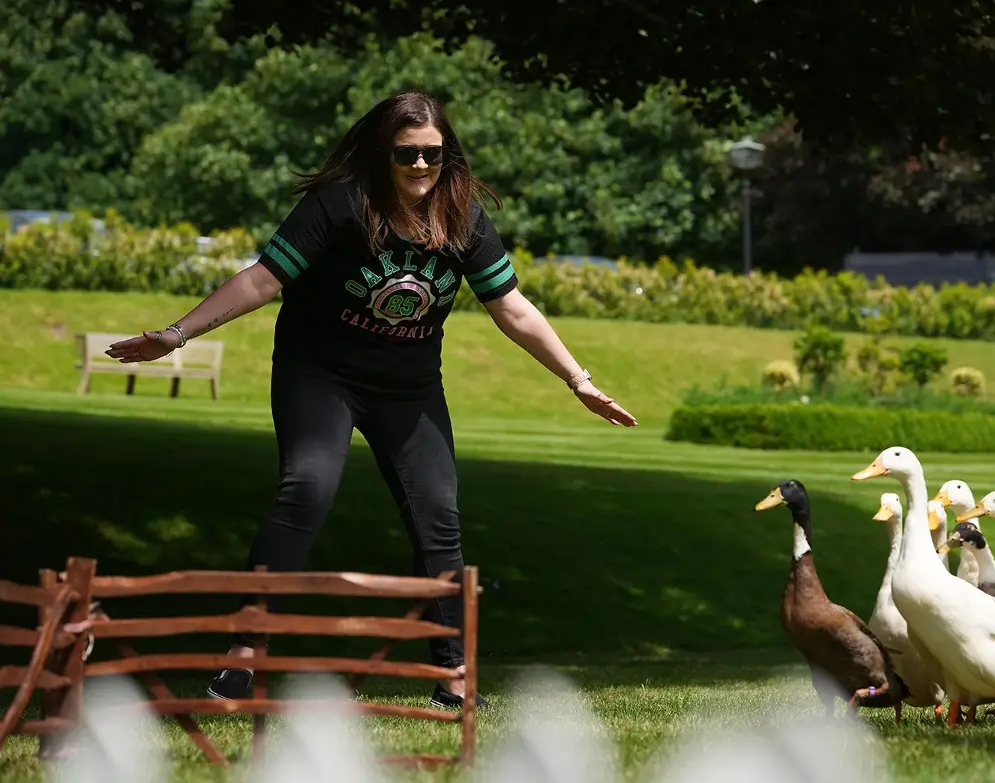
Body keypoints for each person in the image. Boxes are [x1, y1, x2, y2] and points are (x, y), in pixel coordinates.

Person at [105, 90, 638, 709]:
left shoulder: (461, 217)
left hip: (407, 388)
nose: (419, 166)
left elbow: (512, 308)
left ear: (448, 156)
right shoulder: (339, 205)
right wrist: (177, 334)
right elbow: (261, 279)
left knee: (439, 516)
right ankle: (242, 655)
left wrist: (579, 380)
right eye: (406, 154)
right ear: (382, 154)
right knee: (307, 486)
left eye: (432, 155)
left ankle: (453, 677)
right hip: (320, 374)